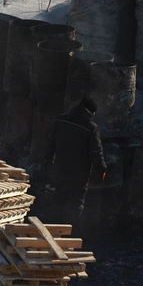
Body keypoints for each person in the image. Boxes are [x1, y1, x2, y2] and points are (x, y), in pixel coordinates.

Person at [44, 95, 107, 227]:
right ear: (91, 111)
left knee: (59, 195)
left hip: (60, 167)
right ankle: (72, 232)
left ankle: (52, 227)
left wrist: (47, 159)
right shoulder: (91, 127)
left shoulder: (61, 120)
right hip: (79, 173)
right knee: (76, 201)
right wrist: (102, 169)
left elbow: (50, 142)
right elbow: (96, 152)